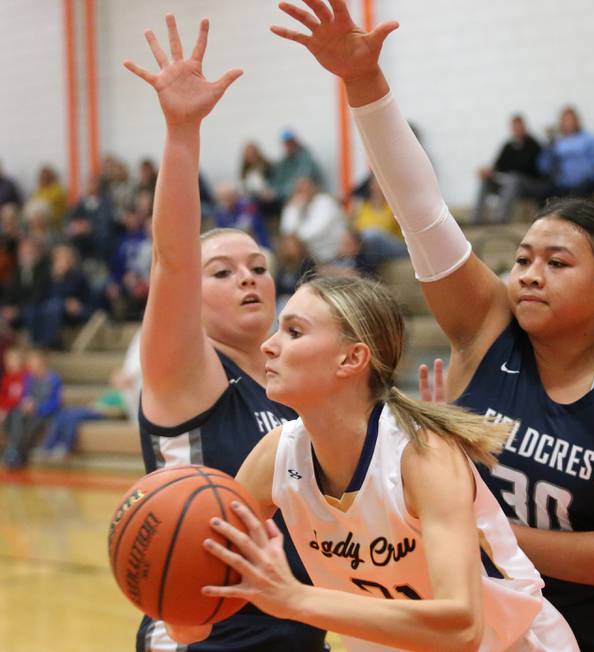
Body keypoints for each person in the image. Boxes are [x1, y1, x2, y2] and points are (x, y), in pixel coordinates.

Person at [271, 3, 594, 650]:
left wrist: (477, 526)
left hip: (588, 630)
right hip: (470, 631)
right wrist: (363, 85)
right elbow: (421, 210)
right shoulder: (488, 322)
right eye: (522, 260)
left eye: (556, 262)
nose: (530, 274)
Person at [172, 275, 579, 652]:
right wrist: (178, 601)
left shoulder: (422, 455)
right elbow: (199, 602)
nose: (269, 345)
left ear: (351, 359)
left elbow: (463, 626)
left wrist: (296, 599)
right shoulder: (276, 456)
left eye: (294, 331)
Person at [122, 14, 326, 651]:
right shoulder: (186, 375)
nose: (248, 279)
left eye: (259, 268)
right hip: (205, 639)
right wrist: (183, 132)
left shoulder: (294, 389)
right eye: (224, 271)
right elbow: (174, 260)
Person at [470, 114, 547, 224]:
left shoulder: (533, 145)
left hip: (527, 184)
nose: (517, 129)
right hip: (508, 183)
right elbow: (497, 166)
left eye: (519, 126)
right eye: (514, 127)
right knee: (486, 182)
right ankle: (476, 219)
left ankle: (499, 219)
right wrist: (488, 172)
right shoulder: (508, 146)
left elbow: (532, 168)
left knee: (514, 179)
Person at [2, 349, 62, 468]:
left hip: (45, 413)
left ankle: (18, 454)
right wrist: (26, 404)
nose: (32, 366)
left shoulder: (53, 378)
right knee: (15, 415)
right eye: (31, 363)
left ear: (42, 362)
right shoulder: (29, 379)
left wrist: (38, 407)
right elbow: (25, 396)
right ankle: (14, 451)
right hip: (30, 410)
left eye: (34, 363)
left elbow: (55, 403)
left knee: (31, 423)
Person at [539, 106, 594, 199]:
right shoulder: (557, 141)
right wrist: (549, 147)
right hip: (563, 185)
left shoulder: (588, 139)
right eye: (565, 120)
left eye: (570, 120)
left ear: (577, 121)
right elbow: (544, 167)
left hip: (586, 184)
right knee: (545, 194)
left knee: (577, 197)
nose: (568, 123)